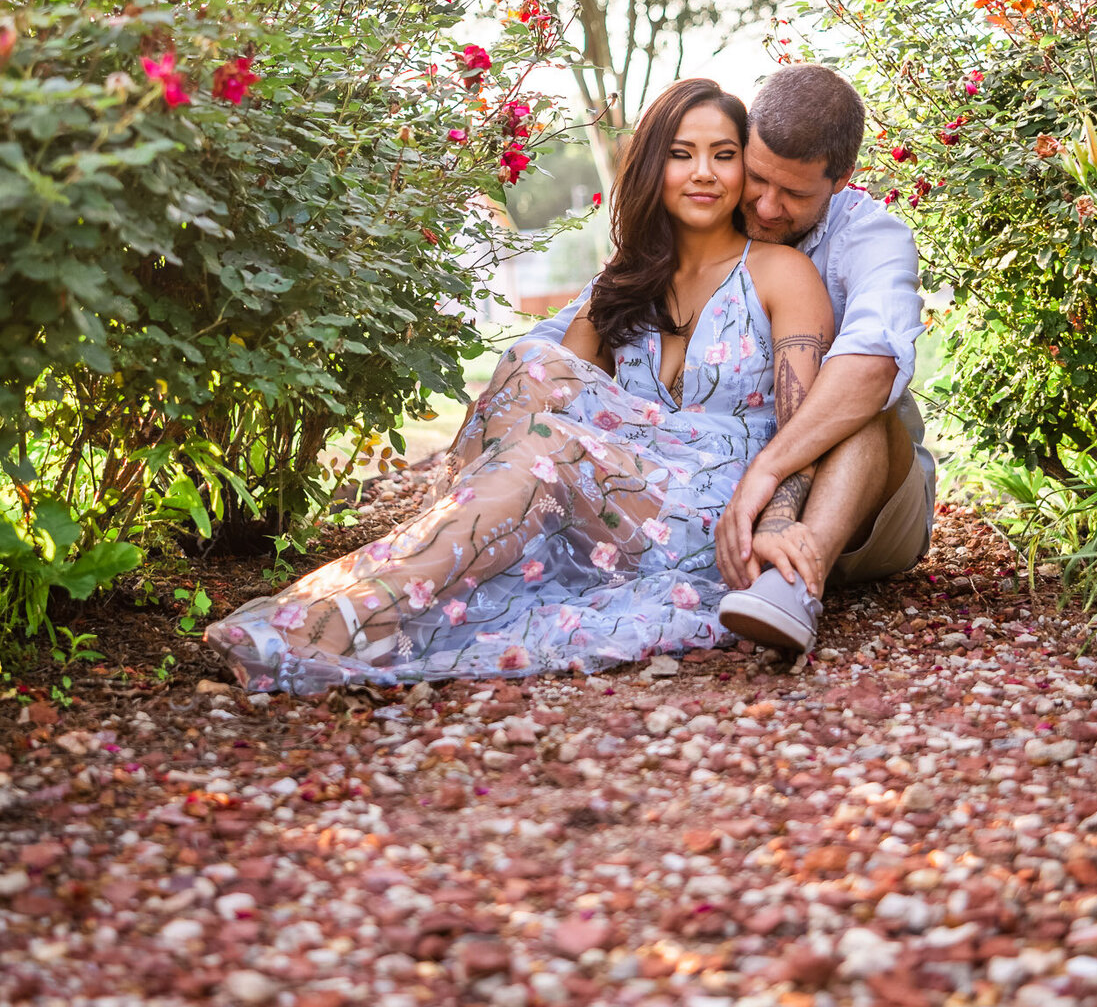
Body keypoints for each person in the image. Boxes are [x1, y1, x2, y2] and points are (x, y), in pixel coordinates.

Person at [204, 78, 833, 694]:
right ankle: (387, 590)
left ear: (743, 170)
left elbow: (802, 426)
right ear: (651, 167)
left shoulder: (781, 272)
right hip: (622, 494)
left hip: (709, 510)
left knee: (542, 416)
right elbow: (552, 392)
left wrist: (775, 521)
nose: (703, 172)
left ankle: (363, 609)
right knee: (536, 367)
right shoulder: (627, 281)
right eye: (681, 154)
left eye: (724, 156)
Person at [535, 64, 934, 655]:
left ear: (842, 179)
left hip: (865, 501)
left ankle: (793, 585)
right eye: (758, 179)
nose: (768, 207)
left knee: (859, 404)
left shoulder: (872, 237)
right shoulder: (687, 240)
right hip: (716, 495)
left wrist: (767, 476)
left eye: (795, 194)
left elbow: (873, 364)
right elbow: (557, 346)